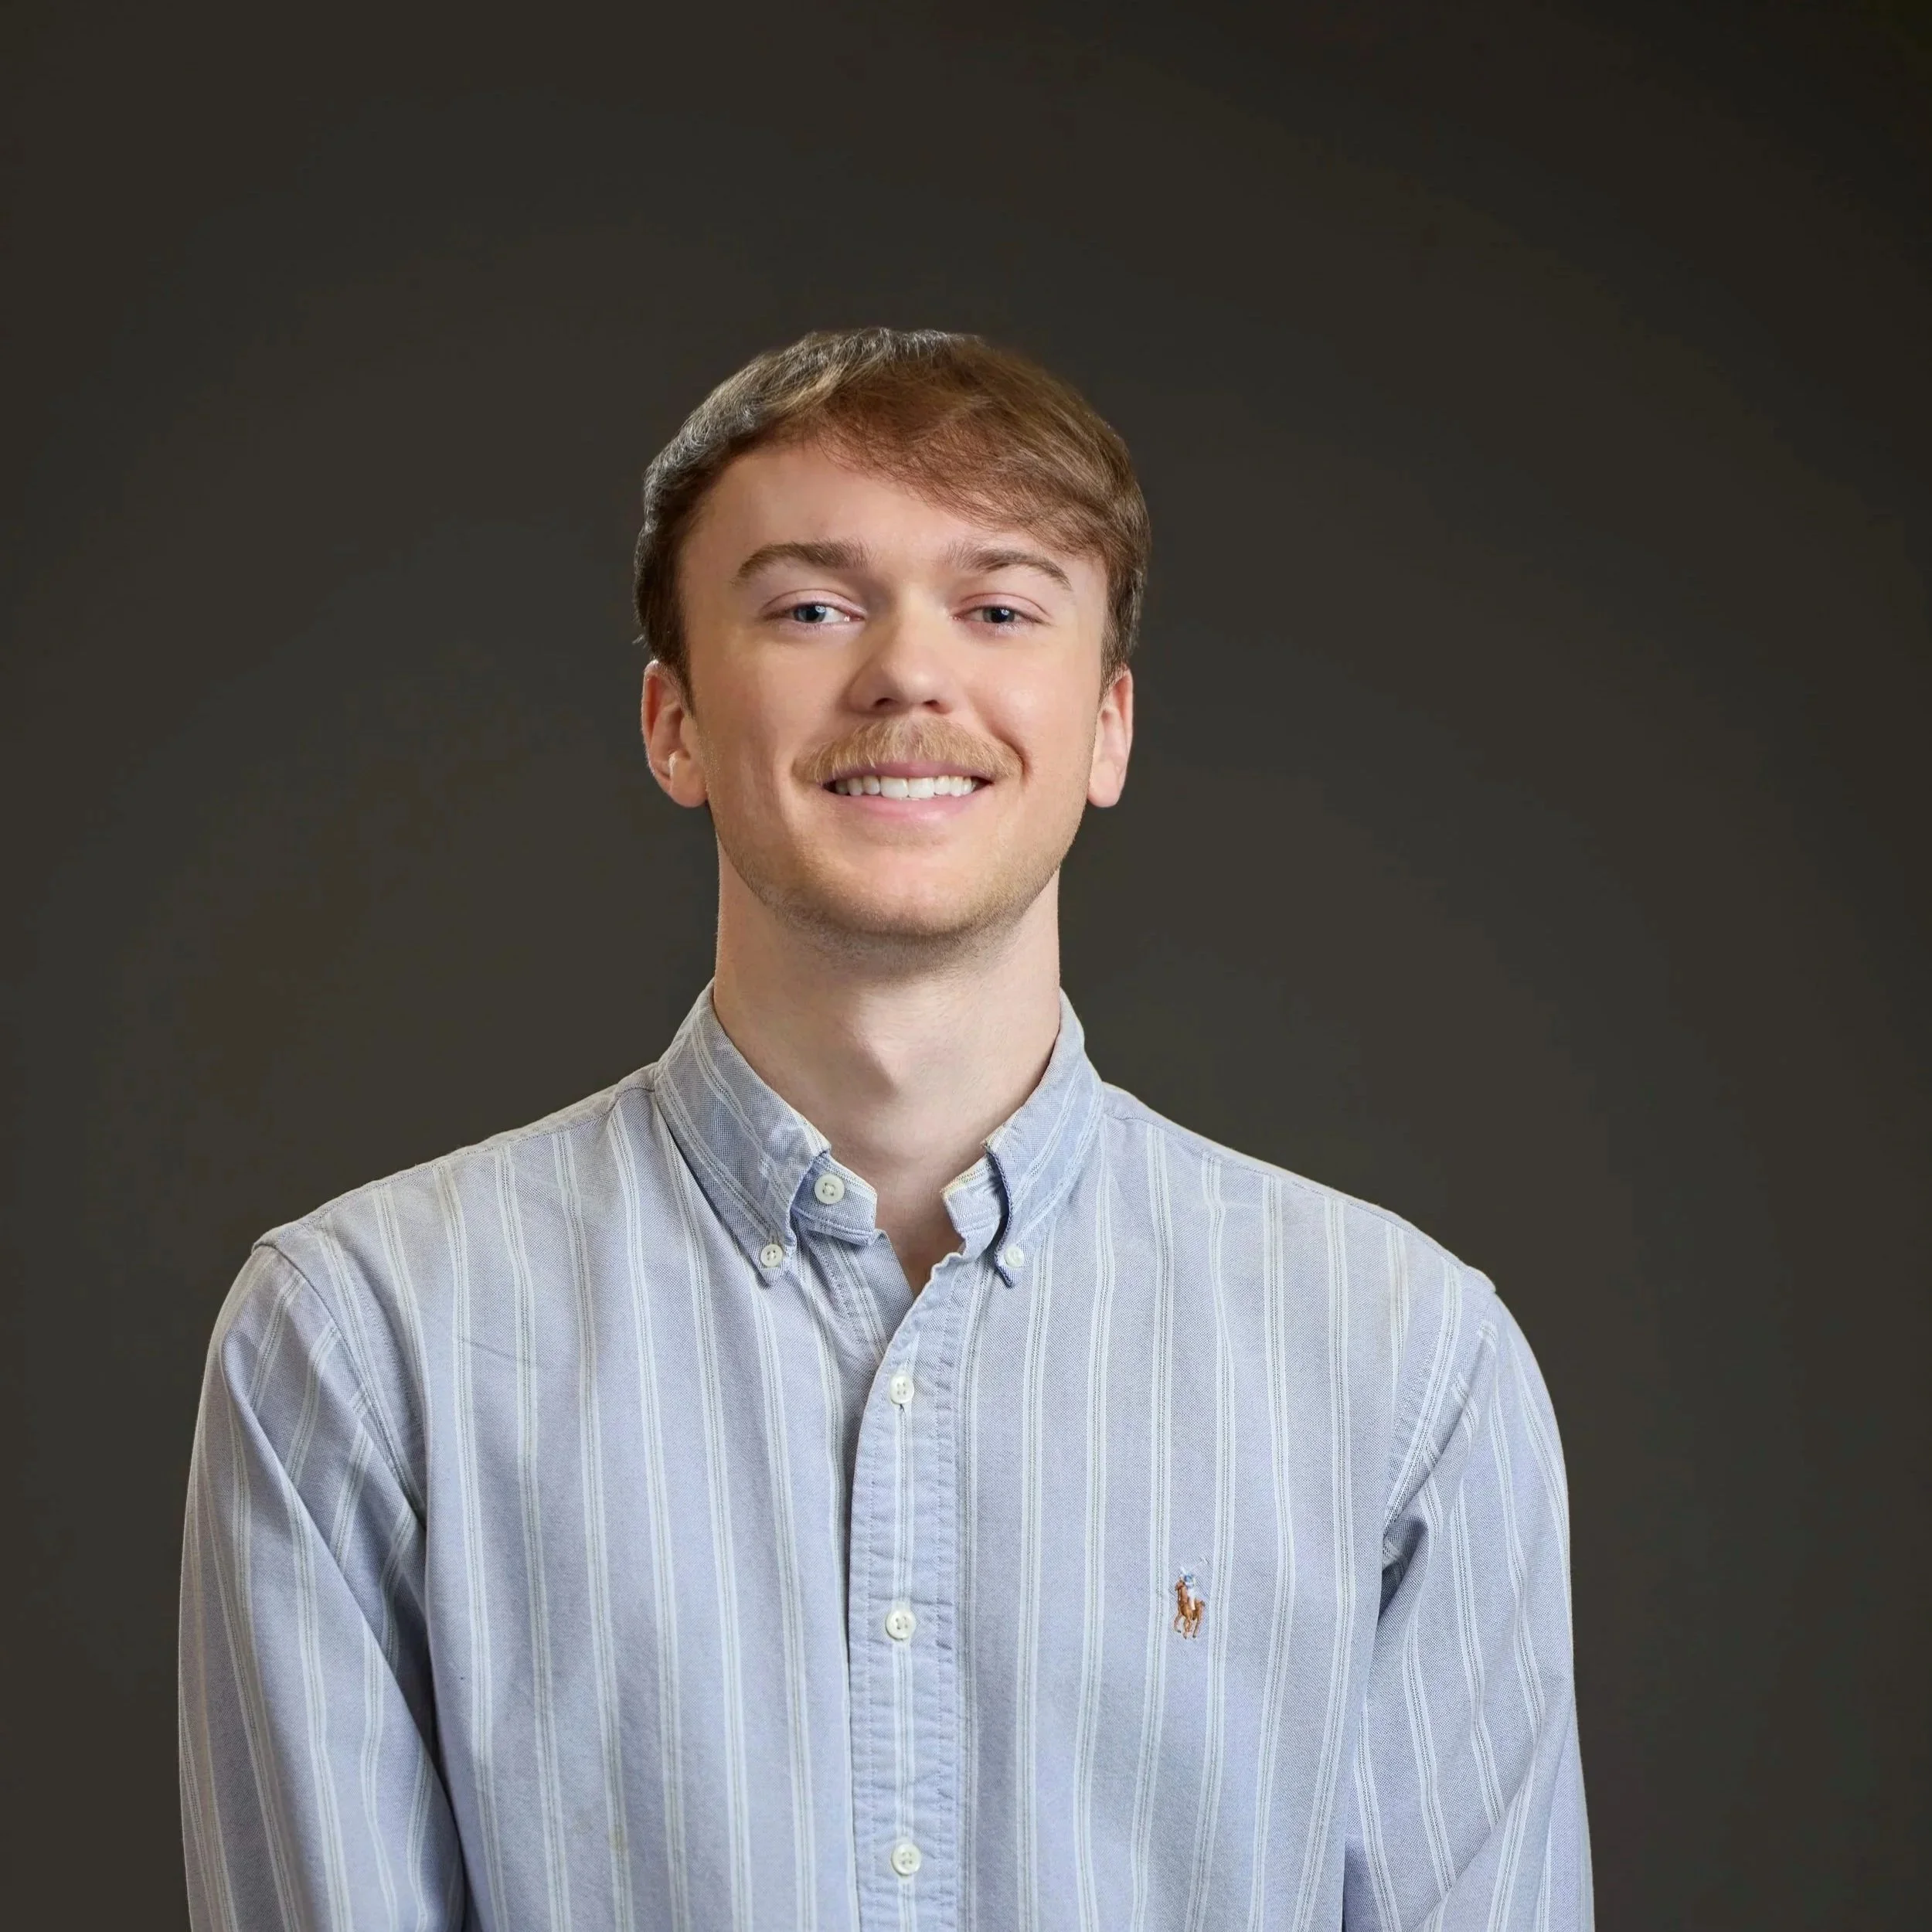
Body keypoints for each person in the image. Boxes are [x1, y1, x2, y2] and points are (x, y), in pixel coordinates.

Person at [179, 328, 1590, 1930]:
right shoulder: (365, 1341)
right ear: (674, 724)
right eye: (809, 607)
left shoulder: (1404, 1363)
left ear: (1107, 727)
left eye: (996, 607)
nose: (910, 673)